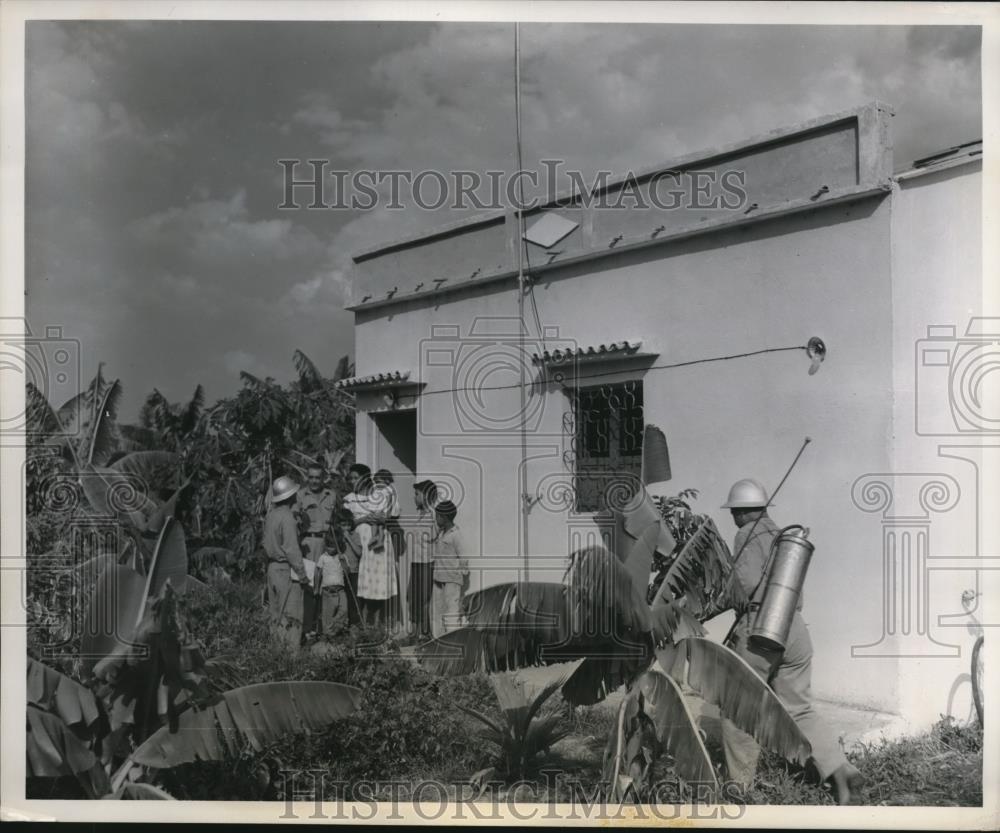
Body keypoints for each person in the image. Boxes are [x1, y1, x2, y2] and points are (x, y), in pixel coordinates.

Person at [718, 478, 864, 804]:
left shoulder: (746, 534)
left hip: (763, 628)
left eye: (734, 512)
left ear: (742, 512)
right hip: (795, 628)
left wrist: (732, 593)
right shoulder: (785, 535)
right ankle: (839, 769)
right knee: (798, 708)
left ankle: (738, 789)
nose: (733, 518)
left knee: (740, 707)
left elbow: (749, 583)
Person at [343, 463, 398, 628]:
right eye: (351, 478)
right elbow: (345, 522)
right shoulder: (349, 499)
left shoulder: (379, 495)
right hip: (357, 544)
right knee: (359, 583)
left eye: (356, 477)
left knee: (378, 584)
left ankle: (379, 625)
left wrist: (381, 518)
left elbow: (392, 515)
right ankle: (360, 624)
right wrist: (364, 519)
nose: (353, 481)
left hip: (378, 544)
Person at [262, 475, 309, 649]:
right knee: (291, 614)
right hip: (284, 569)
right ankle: (291, 656)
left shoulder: (271, 515)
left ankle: (276, 652)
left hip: (272, 567)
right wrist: (302, 574)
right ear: (290, 496)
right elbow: (291, 549)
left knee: (275, 613)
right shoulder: (288, 518)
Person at [431, 499, 468, 638]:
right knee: (437, 611)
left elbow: (463, 556)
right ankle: (438, 640)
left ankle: (453, 639)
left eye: (438, 516)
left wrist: (459, 573)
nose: (436, 520)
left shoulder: (456, 535)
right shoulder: (441, 534)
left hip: (451, 580)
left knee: (451, 611)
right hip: (438, 578)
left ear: (445, 518)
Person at [407, 480, 438, 643]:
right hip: (416, 562)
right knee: (414, 597)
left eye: (417, 494)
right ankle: (415, 634)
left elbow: (439, 540)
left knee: (425, 598)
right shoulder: (420, 515)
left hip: (427, 562)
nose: (414, 497)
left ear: (426, 496)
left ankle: (426, 634)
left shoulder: (434, 516)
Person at [298, 463, 337, 562]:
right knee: (311, 575)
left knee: (329, 576)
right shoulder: (300, 496)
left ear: (323, 478)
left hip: (329, 544)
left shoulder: (331, 495)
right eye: (311, 477)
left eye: (317, 478)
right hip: (309, 543)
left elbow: (336, 520)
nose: (314, 481)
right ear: (307, 477)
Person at [333, 508, 363, 627]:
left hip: (353, 571)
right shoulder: (335, 536)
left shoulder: (355, 535)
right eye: (343, 525)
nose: (346, 528)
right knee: (340, 600)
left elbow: (359, 552)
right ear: (338, 524)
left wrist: (349, 539)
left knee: (353, 600)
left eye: (348, 525)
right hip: (339, 573)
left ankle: (354, 624)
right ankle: (339, 625)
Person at [315, 544, 349, 638]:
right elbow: (318, 573)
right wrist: (316, 588)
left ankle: (334, 629)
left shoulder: (342, 556)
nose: (329, 548)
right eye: (328, 545)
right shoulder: (323, 557)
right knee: (327, 615)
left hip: (340, 590)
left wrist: (343, 562)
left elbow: (347, 572)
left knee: (344, 610)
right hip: (328, 591)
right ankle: (328, 637)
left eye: (332, 545)